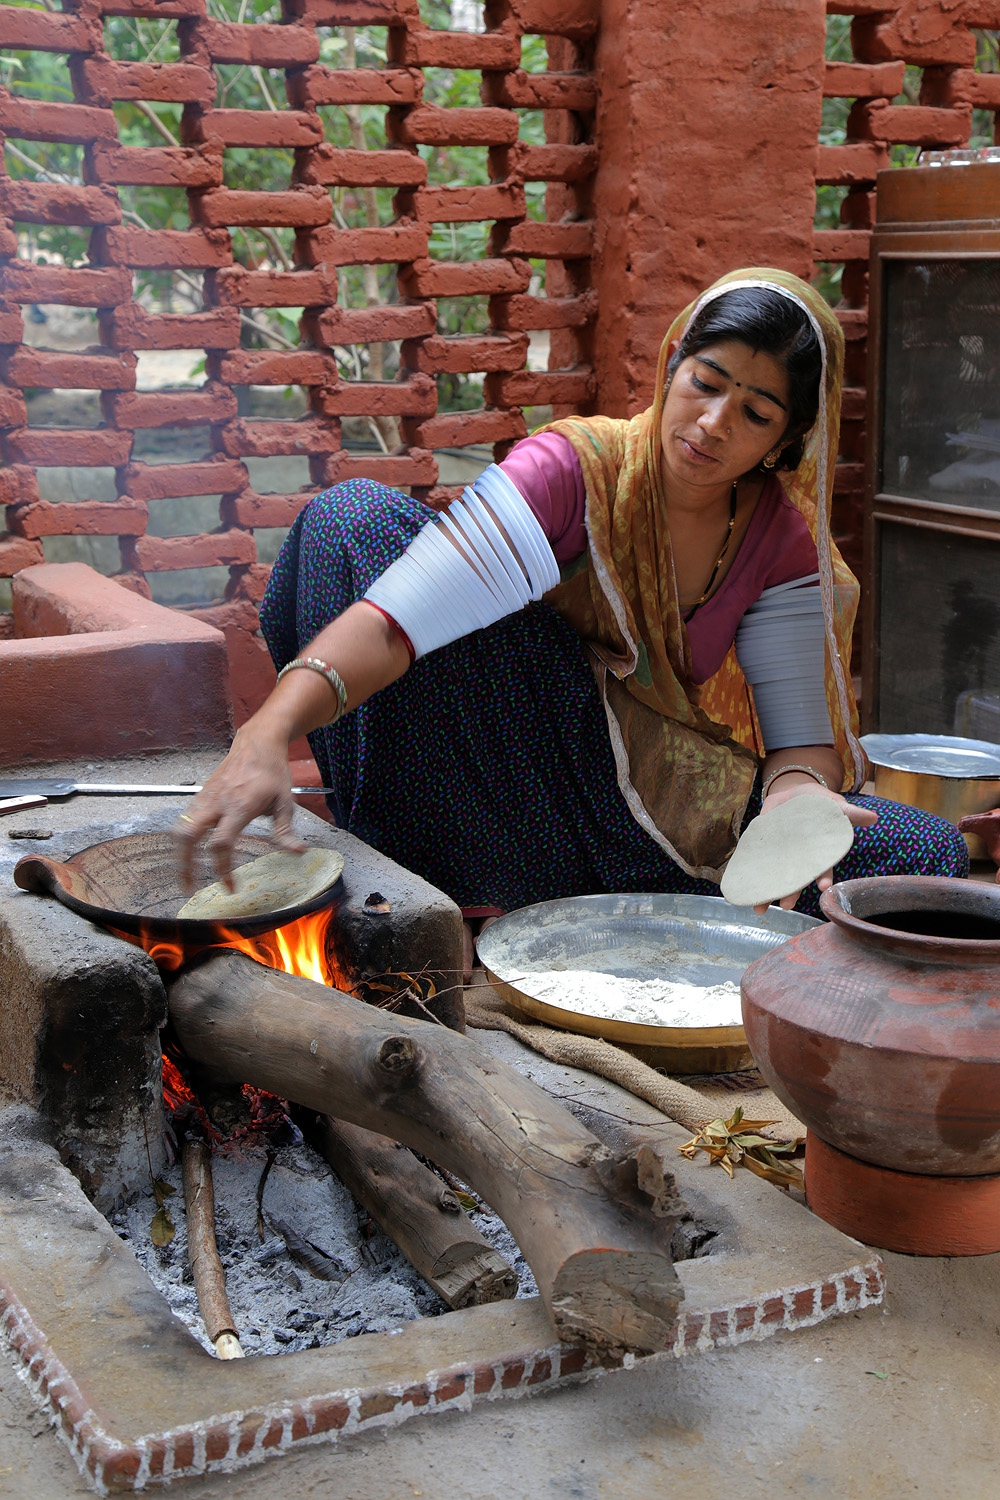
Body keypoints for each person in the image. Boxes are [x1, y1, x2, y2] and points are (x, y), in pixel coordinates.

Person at [174, 267, 968, 945]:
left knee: (925, 855)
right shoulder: (576, 471)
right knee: (355, 520)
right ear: (673, 368)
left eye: (756, 413)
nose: (715, 423)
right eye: (706, 383)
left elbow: (799, 743)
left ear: (785, 442)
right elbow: (398, 621)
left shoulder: (778, 537)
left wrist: (796, 802)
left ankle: (636, 921)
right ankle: (428, 884)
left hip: (661, 795)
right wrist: (268, 730)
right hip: (509, 756)